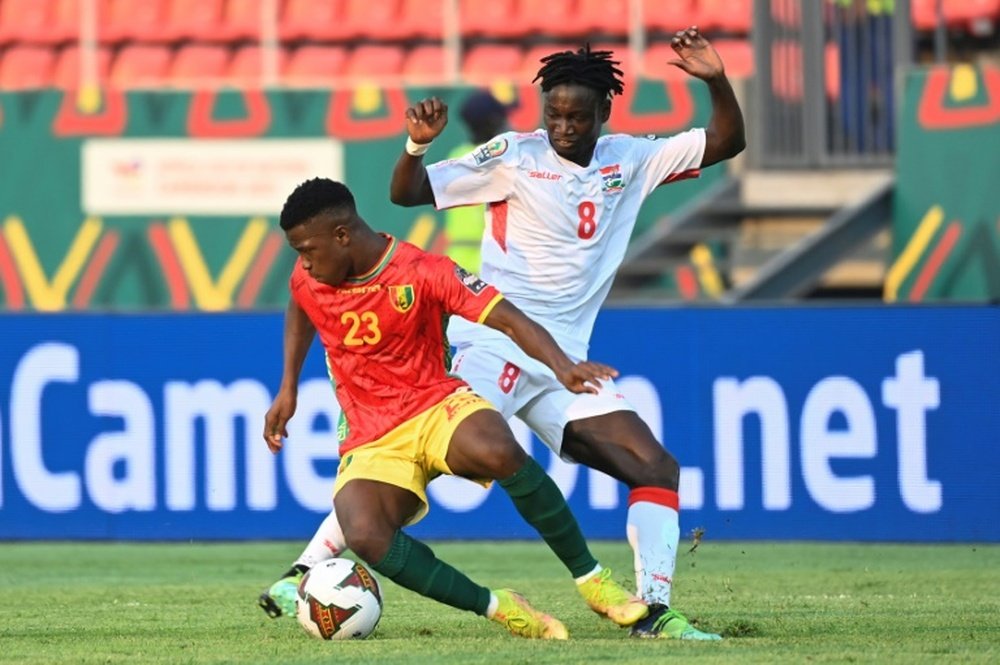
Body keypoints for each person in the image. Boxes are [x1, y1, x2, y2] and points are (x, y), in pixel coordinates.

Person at [262, 26, 745, 641]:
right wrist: (415, 146)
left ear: (604, 111)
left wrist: (716, 81)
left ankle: (653, 612)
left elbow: (728, 140)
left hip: (566, 363)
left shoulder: (634, 159)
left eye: (575, 116)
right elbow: (407, 192)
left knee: (654, 466)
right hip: (495, 345)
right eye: (553, 113)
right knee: (403, 449)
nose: (562, 126)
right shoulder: (514, 156)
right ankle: (301, 569)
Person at [258, 177, 647, 639]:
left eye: (308, 250)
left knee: (496, 448)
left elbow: (507, 317)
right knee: (363, 533)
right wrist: (288, 387)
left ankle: (593, 581)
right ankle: (498, 606)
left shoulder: (422, 271)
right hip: (371, 432)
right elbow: (301, 304)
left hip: (435, 403)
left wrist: (563, 367)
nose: (303, 264)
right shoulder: (310, 276)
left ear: (342, 235)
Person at [443, 89, 512, 273]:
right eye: (503, 117)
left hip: (457, 257)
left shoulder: (456, 157)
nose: (507, 122)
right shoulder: (501, 159)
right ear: (493, 122)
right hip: (492, 257)